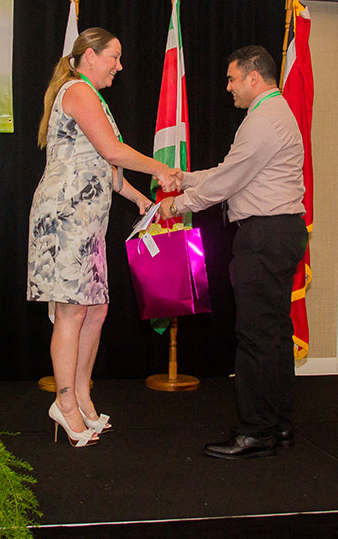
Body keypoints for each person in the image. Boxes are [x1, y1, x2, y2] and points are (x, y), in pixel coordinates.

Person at [28, 27, 180, 447]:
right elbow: (113, 151)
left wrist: (140, 199)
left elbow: (106, 170)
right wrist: (159, 169)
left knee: (95, 309)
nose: (120, 66)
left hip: (89, 222)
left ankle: (81, 396)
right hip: (65, 217)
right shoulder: (78, 91)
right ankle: (64, 403)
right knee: (72, 311)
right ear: (90, 56)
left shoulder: (93, 97)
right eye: (114, 56)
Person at [159, 45, 306, 459]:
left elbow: (228, 181)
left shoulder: (262, 120)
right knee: (274, 334)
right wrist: (186, 178)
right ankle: (279, 424)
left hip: (264, 235)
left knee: (256, 336)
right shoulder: (274, 114)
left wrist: (178, 204)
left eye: (232, 78)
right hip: (279, 232)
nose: (228, 87)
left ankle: (256, 431)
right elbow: (230, 172)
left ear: (253, 78)